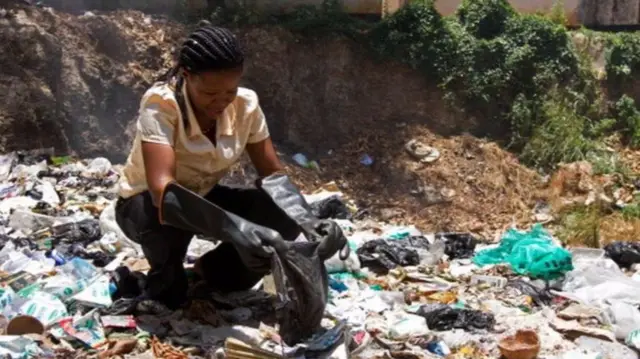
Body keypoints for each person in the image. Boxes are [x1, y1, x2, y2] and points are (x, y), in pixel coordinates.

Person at [114, 24, 345, 310]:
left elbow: (273, 176)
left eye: (230, 91)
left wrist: (310, 221)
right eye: (210, 93)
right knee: (170, 297)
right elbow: (163, 190)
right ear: (187, 76)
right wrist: (236, 227)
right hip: (144, 207)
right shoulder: (161, 104)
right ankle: (165, 276)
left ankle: (209, 271)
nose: (221, 102)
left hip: (203, 196)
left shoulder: (245, 105)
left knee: (278, 213)